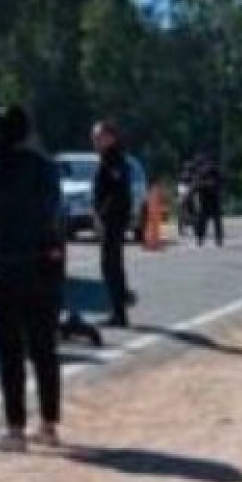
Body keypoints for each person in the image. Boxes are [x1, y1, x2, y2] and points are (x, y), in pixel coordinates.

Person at [0, 106, 67, 452]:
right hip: (39, 267)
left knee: (9, 354)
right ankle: (49, 425)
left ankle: (15, 429)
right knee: (44, 350)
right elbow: (55, 212)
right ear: (27, 133)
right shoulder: (42, 168)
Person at [91, 121, 137, 328]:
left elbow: (118, 193)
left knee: (110, 265)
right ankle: (119, 304)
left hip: (113, 219)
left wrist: (104, 215)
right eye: (94, 137)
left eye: (99, 137)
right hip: (111, 218)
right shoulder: (108, 159)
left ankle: (119, 312)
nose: (95, 141)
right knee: (111, 264)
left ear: (111, 137)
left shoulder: (114, 160)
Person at [191, 154, 225, 247]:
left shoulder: (201, 172)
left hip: (207, 198)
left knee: (204, 220)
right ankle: (217, 239)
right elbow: (222, 181)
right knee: (214, 219)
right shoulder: (214, 170)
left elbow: (195, 185)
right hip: (211, 198)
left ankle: (202, 239)